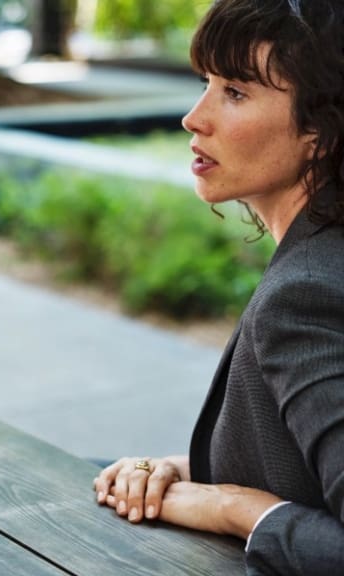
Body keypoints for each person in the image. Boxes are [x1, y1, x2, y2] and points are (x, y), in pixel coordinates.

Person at [92, 0, 344, 573]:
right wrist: (177, 471)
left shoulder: (304, 297)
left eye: (234, 91)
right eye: (205, 83)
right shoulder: (321, 257)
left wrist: (237, 510)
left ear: (320, 129)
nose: (193, 118)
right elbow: (300, 469)